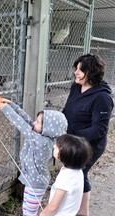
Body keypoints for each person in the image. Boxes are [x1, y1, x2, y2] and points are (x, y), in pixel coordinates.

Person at [62, 53, 114, 216]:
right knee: (72, 172)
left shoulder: (102, 97)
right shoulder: (75, 87)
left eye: (81, 70)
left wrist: (72, 135)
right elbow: (67, 109)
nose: (76, 73)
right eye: (76, 69)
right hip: (72, 139)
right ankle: (71, 205)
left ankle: (83, 212)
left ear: (91, 73)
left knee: (80, 173)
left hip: (90, 144)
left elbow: (99, 130)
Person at [0, 98, 68, 216]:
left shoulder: (42, 142)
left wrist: (6, 110)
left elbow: (22, 125)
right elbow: (27, 120)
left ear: (48, 129)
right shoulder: (41, 134)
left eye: (38, 122)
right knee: (29, 211)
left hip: (36, 185)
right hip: (33, 182)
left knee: (29, 212)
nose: (34, 123)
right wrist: (12, 105)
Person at [39, 134, 92, 216]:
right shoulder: (77, 171)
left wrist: (43, 214)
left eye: (57, 146)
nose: (53, 146)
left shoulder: (66, 177)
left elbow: (53, 207)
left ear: (65, 154)